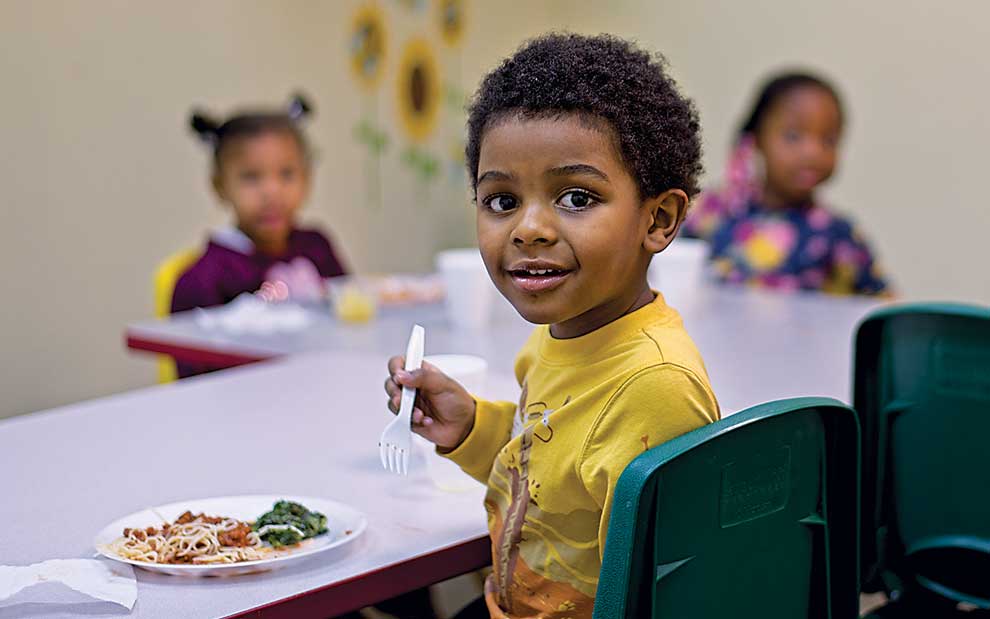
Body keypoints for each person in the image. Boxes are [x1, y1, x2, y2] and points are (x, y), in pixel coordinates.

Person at [384, 34, 720, 618]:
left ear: (659, 219)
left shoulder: (654, 390)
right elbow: (547, 476)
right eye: (501, 201)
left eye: (575, 197)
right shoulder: (558, 334)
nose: (528, 229)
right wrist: (470, 428)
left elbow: (666, 596)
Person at [171, 94, 347, 377]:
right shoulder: (203, 279)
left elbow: (347, 319)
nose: (271, 192)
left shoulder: (317, 247)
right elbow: (196, 381)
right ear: (219, 186)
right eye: (252, 177)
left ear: (307, 179)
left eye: (286, 174)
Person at [682, 72, 890, 295]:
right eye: (793, 136)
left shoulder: (838, 234)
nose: (813, 153)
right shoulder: (710, 212)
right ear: (757, 138)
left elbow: (881, 305)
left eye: (829, 140)